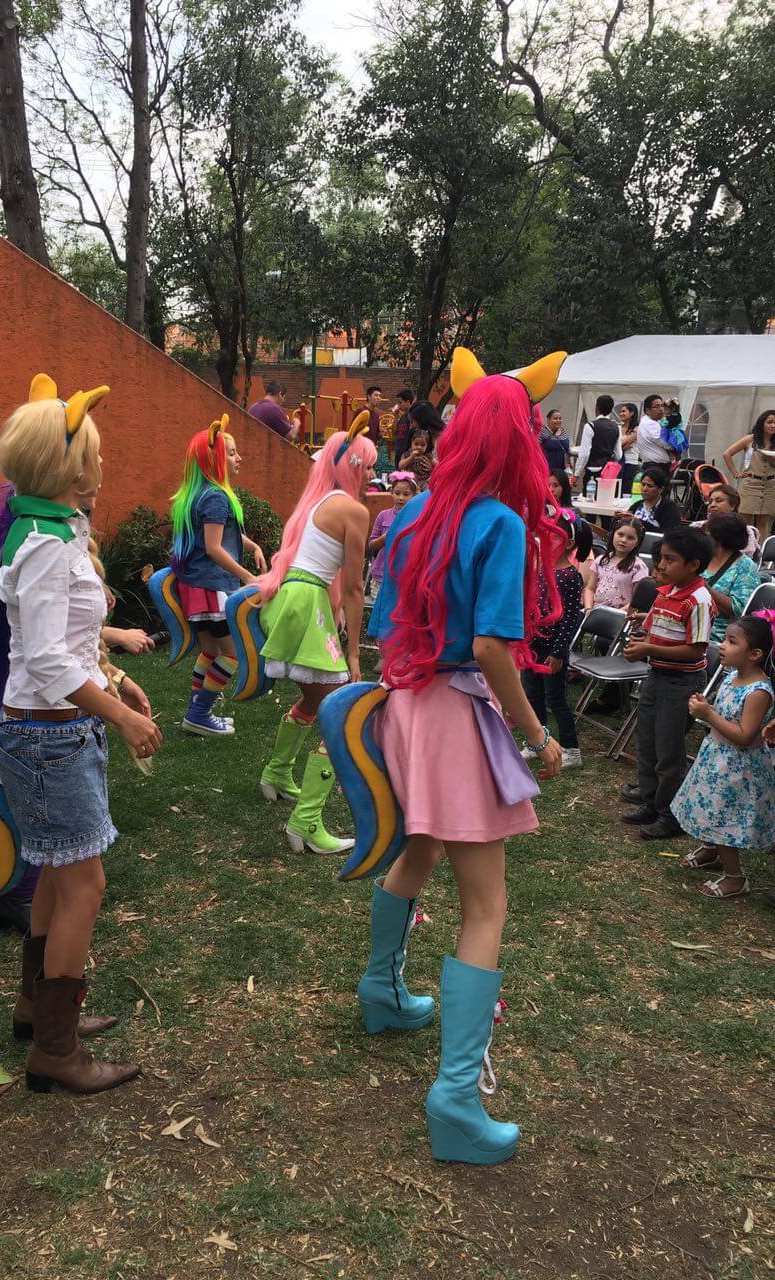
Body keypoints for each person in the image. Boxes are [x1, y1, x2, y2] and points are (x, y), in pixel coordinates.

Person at [346, 349, 564, 1169]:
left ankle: (381, 991)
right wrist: (537, 735)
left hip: (405, 705)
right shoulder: (500, 523)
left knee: (420, 848)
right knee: (486, 907)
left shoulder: (411, 514)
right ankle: (457, 1100)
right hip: (452, 714)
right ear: (519, 440)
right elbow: (490, 648)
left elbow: (387, 626)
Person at [0, 374, 162, 1094]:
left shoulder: (55, 532)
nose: (101, 462)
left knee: (61, 877)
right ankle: (55, 1051)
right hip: (47, 739)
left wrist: (115, 682)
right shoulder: (46, 544)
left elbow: (68, 642)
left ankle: (39, 1011)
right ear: (68, 465)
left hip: (54, 732)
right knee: (84, 883)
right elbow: (46, 658)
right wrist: (119, 716)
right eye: (92, 451)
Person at [254, 417, 377, 853]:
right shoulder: (353, 510)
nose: (373, 475)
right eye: (368, 466)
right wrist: (355, 654)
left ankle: (276, 774)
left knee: (313, 700)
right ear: (354, 466)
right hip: (308, 604)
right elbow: (356, 588)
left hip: (291, 600)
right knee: (341, 715)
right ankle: (305, 823)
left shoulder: (317, 501)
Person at [168, 422, 266, 737]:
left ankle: (197, 711)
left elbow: (221, 536)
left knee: (211, 651)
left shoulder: (200, 494)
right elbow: (213, 547)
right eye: (232, 453)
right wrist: (247, 576)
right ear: (215, 460)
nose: (240, 458)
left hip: (197, 586)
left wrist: (253, 546)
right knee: (233, 654)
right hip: (211, 588)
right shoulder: (216, 498)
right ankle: (199, 714)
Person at [621, 526, 715, 840]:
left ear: (694, 565)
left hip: (681, 682)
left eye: (670, 559)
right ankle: (651, 801)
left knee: (669, 751)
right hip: (657, 675)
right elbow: (654, 627)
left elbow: (696, 650)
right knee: (647, 742)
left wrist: (648, 649)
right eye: (661, 558)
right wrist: (641, 639)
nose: (661, 565)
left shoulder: (699, 600)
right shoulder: (667, 591)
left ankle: (671, 815)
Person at [672, 614, 775, 898]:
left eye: (732, 641)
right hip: (717, 758)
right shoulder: (731, 677)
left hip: (738, 768)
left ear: (754, 654)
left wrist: (708, 715)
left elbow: (744, 736)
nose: (722, 645)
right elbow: (726, 715)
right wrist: (708, 708)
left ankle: (734, 878)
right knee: (709, 807)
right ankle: (710, 851)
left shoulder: (758, 692)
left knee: (723, 817)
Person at [520, 513, 584, 769]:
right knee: (533, 695)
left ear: (569, 543)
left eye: (553, 536)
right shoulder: (541, 570)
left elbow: (569, 618)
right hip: (533, 643)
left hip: (553, 648)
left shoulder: (570, 576)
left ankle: (571, 749)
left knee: (555, 699)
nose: (546, 540)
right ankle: (538, 743)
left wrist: (558, 652)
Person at [702, 513, 761, 643]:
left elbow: (740, 609)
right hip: (687, 625)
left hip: (719, 637)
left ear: (720, 539)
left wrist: (706, 589)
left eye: (707, 534)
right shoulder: (701, 557)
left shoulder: (745, 567)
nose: (703, 537)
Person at [722, 409, 775, 543]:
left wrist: (770, 458)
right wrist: (736, 473)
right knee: (744, 520)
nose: (773, 425)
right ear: (762, 423)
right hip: (750, 483)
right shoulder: (750, 439)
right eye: (770, 422)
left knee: (764, 521)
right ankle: (742, 548)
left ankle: (761, 551)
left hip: (770, 485)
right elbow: (727, 454)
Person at [584, 516, 649, 611]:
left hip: (620, 615)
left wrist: (615, 615)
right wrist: (588, 609)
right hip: (594, 612)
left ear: (637, 543)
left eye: (630, 538)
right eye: (620, 534)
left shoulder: (639, 567)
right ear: (613, 534)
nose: (623, 540)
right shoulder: (601, 560)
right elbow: (590, 589)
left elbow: (636, 601)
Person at [368, 472, 418, 592]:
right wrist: (385, 538)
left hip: (406, 575)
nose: (400, 498)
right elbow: (371, 544)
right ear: (391, 493)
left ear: (414, 496)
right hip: (382, 574)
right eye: (397, 493)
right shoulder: (383, 516)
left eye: (406, 494)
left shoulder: (417, 518)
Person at [692, 484, 759, 557]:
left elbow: (743, 558)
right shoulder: (696, 526)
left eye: (719, 501)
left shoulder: (745, 531)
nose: (712, 505)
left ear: (733, 505)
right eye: (710, 502)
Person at [573, 395, 621, 487]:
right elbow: (618, 455)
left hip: (592, 470)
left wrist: (576, 474)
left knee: (590, 495)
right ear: (611, 410)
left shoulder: (590, 426)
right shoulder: (616, 427)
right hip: (608, 472)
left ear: (597, 408)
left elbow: (584, 454)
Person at [629, 465, 682, 531]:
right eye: (643, 484)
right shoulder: (636, 506)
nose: (645, 489)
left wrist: (639, 523)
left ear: (660, 489)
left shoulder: (669, 508)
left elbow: (669, 532)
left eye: (650, 486)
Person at [637, 394, 674, 467]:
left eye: (662, 406)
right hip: (656, 466)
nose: (661, 409)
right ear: (647, 410)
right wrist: (677, 445)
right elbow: (665, 443)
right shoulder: (651, 424)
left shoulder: (649, 421)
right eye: (657, 406)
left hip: (654, 465)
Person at [618, 403, 640, 491]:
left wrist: (619, 445)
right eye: (620, 412)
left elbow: (622, 444)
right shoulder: (618, 428)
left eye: (624, 411)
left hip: (630, 462)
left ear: (631, 413)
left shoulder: (637, 429)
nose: (621, 414)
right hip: (618, 462)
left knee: (626, 490)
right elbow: (622, 445)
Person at [392, 389, 415, 467]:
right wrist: (396, 416)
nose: (399, 405)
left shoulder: (412, 416)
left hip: (406, 453)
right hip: (398, 452)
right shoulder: (402, 416)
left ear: (408, 402)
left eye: (400, 402)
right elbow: (394, 431)